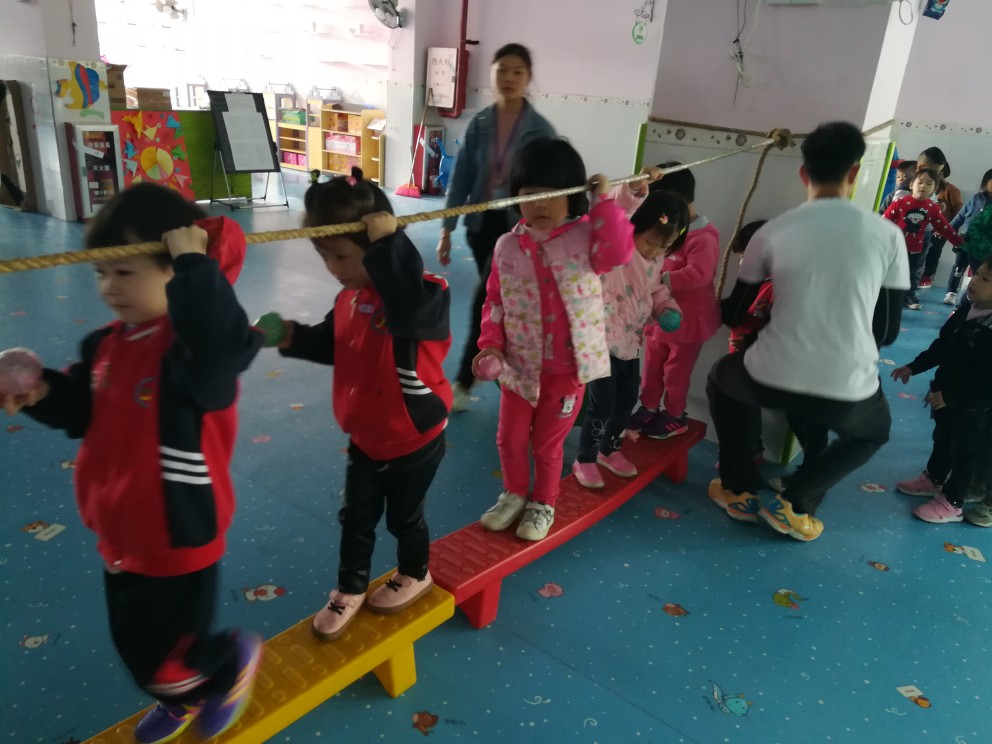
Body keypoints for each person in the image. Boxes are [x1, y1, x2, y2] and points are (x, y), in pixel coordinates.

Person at [0, 184, 264, 744]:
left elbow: (221, 343)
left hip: (178, 531)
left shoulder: (194, 352)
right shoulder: (106, 344)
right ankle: (180, 695)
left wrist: (196, 263)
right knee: (134, 644)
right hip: (121, 530)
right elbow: (83, 410)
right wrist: (43, 392)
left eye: (125, 272)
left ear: (176, 271)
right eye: (101, 273)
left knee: (168, 653)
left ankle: (224, 662)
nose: (108, 288)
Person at [256, 168, 452, 640]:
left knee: (405, 517)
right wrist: (290, 335)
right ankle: (350, 588)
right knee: (357, 517)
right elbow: (333, 344)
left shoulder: (427, 295)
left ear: (377, 246)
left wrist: (391, 245)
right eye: (324, 256)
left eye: (341, 256)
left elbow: (408, 306)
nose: (333, 268)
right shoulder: (349, 299)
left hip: (414, 438)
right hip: (366, 436)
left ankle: (416, 572)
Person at [707, 121, 908, 542]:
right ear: (855, 173)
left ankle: (738, 489)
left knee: (723, 380)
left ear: (803, 174)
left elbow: (735, 312)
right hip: (846, 385)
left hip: (771, 375)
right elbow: (887, 332)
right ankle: (796, 503)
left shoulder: (771, 231)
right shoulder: (889, 235)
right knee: (872, 432)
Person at [471, 137, 634, 540]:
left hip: (566, 371)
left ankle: (543, 502)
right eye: (530, 195)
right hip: (518, 369)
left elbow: (619, 252)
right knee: (509, 440)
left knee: (546, 446)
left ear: (571, 196)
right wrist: (490, 344)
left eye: (552, 195)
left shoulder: (587, 239)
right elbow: (494, 301)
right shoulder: (507, 246)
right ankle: (513, 493)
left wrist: (604, 203)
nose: (540, 205)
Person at [437, 43, 556, 412]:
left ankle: (464, 379)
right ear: (492, 73)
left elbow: (552, 183)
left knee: (486, 300)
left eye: (517, 71)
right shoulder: (481, 123)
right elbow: (461, 178)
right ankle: (501, 365)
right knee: (499, 299)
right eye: (502, 69)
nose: (509, 77)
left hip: (518, 228)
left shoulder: (540, 129)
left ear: (528, 78)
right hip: (480, 225)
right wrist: (446, 229)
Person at [572, 183, 689, 489]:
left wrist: (666, 308)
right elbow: (614, 216)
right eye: (650, 242)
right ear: (636, 226)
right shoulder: (619, 248)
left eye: (663, 247)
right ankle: (585, 458)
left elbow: (655, 288)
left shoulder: (655, 262)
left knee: (625, 403)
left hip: (630, 343)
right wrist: (632, 191)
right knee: (602, 406)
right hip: (600, 341)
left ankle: (609, 449)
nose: (654, 251)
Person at [891, 259, 992, 523]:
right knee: (943, 438)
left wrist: (950, 396)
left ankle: (953, 502)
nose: (975, 280)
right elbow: (943, 347)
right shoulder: (967, 310)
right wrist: (914, 367)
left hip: (972, 406)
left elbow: (983, 377)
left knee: (965, 452)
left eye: (985, 279)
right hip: (945, 395)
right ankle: (934, 478)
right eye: (977, 274)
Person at [628, 162, 721, 439]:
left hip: (688, 323)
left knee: (675, 373)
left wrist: (659, 278)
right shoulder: (666, 231)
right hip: (659, 318)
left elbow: (699, 275)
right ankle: (648, 407)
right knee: (651, 367)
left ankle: (675, 415)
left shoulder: (703, 237)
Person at [882, 168, 963, 310]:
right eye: (920, 182)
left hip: (915, 249)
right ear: (911, 184)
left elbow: (944, 227)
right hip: (895, 247)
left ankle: (909, 296)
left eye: (929, 183)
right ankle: (884, 297)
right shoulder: (900, 202)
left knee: (912, 274)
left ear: (935, 189)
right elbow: (884, 220)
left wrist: (959, 242)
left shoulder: (932, 208)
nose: (923, 186)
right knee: (890, 272)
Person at [727, 220, 770, 462]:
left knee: (746, 407)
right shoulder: (753, 283)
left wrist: (748, 342)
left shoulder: (772, 288)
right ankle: (751, 449)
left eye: (745, 256)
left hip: (754, 360)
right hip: (739, 357)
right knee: (741, 406)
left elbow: (767, 326)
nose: (742, 262)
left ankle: (750, 452)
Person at [916, 147, 963, 289]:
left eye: (939, 173)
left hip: (940, 229)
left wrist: (950, 228)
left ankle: (927, 276)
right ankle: (917, 276)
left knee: (933, 252)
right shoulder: (921, 186)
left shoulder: (951, 190)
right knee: (919, 252)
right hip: (922, 227)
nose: (936, 176)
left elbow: (959, 211)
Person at [944, 168, 992, 305]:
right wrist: (948, 229)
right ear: (985, 184)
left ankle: (971, 297)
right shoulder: (976, 198)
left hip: (982, 246)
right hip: (964, 240)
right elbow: (961, 216)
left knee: (978, 271)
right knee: (958, 267)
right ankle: (951, 292)